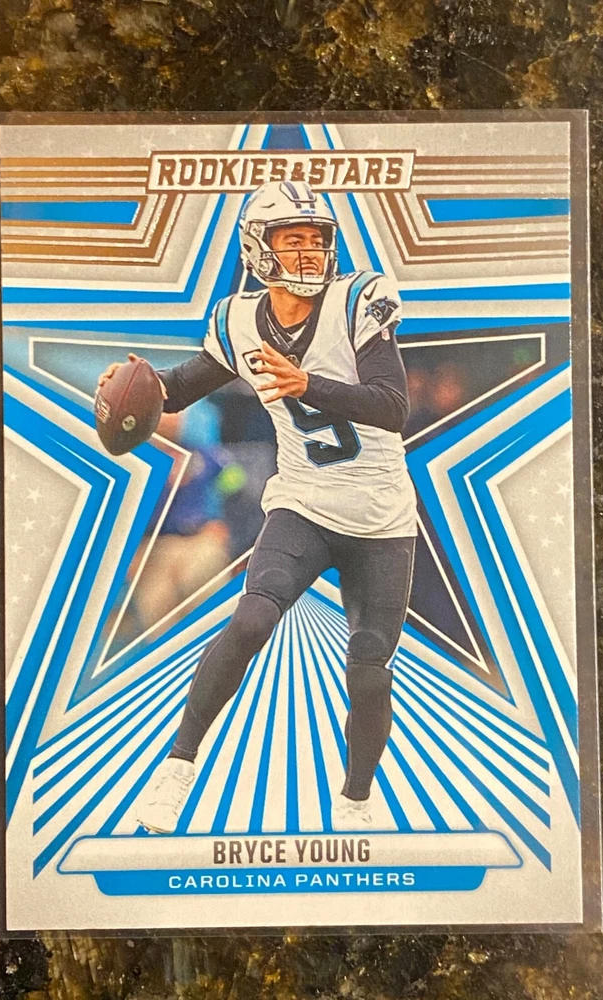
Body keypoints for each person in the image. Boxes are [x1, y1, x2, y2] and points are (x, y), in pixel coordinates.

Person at [98, 180, 417, 833]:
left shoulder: (358, 301)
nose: (308, 251)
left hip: (382, 518)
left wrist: (308, 384)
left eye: (317, 239)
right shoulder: (239, 320)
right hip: (302, 503)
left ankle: (356, 798)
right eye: (292, 239)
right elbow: (180, 389)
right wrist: (138, 385)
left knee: (368, 674)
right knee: (250, 619)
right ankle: (176, 769)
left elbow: (392, 406)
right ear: (258, 248)